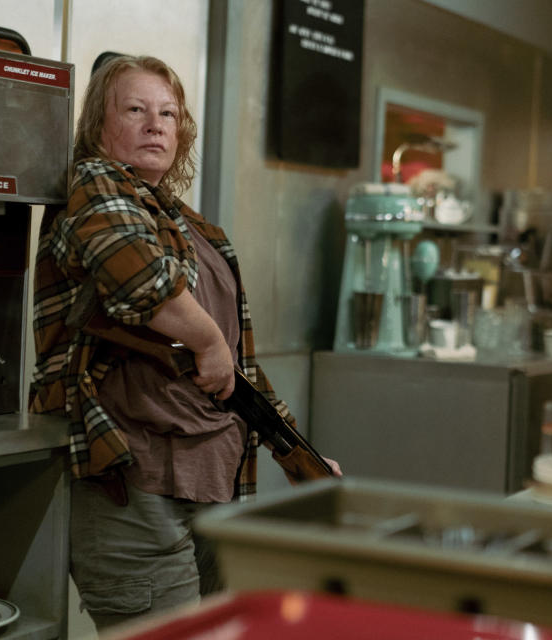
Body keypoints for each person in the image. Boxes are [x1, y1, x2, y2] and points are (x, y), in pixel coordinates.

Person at [29, 54, 341, 630]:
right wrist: (207, 340)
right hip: (135, 482)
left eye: (168, 113)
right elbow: (141, 280)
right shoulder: (94, 186)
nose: (156, 124)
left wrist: (297, 448)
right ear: (100, 125)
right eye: (136, 109)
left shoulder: (192, 224)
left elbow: (237, 360)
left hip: (210, 480)